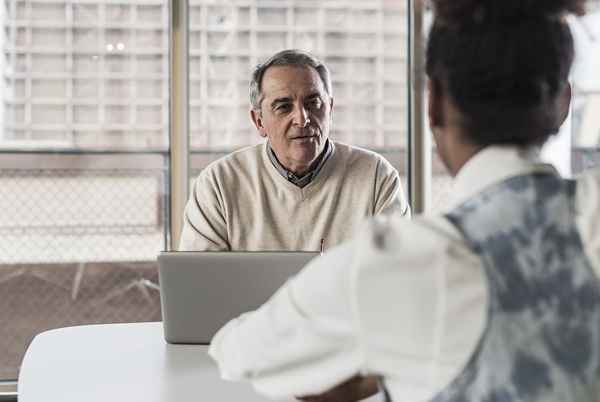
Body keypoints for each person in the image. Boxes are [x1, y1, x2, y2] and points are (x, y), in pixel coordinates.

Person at [208, 0, 600, 401]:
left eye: (313, 103)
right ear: (563, 102)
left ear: (432, 105)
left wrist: (380, 359)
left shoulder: (397, 263)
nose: (302, 119)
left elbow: (238, 354)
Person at [179, 49, 410, 251]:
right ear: (259, 121)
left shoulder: (376, 177)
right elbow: (200, 289)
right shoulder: (219, 184)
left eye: (313, 103)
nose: (302, 118)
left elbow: (397, 278)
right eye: (283, 106)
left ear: (329, 109)